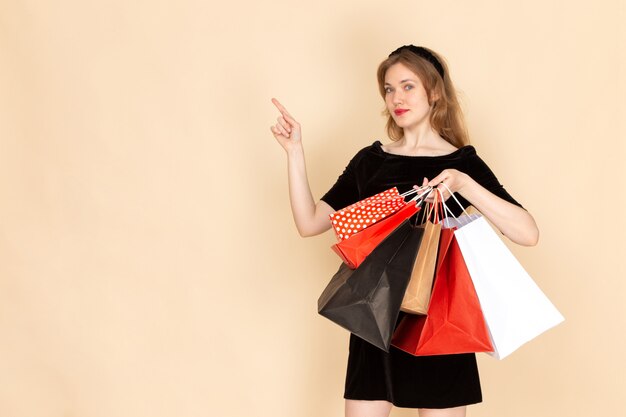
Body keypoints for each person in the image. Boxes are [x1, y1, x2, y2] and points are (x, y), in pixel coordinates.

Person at [269, 44, 539, 417]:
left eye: (408, 86)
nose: (396, 97)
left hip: (440, 324)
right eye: (389, 88)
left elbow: (527, 232)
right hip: (373, 321)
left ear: (435, 92)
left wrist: (464, 184)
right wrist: (294, 152)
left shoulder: (460, 162)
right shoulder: (372, 160)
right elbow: (310, 223)